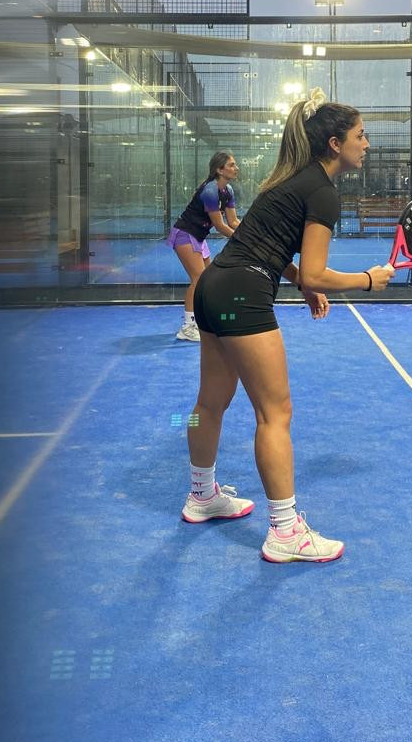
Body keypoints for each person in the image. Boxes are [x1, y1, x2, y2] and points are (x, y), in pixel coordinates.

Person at [179, 89, 395, 563]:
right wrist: (367, 279)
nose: (367, 144)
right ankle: (284, 531)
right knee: (274, 415)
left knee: (207, 405)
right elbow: (316, 272)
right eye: (361, 136)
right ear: (335, 143)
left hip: (215, 287)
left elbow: (268, 247)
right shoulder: (322, 193)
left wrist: (302, 282)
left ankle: (201, 494)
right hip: (242, 295)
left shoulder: (289, 180)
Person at [167, 152, 241, 342]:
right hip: (185, 234)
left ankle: (203, 320)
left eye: (235, 164)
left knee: (208, 280)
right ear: (219, 170)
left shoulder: (228, 190)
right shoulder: (210, 191)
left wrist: (251, 232)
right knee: (198, 279)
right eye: (231, 165)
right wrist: (243, 240)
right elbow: (219, 225)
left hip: (199, 237)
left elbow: (233, 221)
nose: (236, 168)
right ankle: (188, 327)